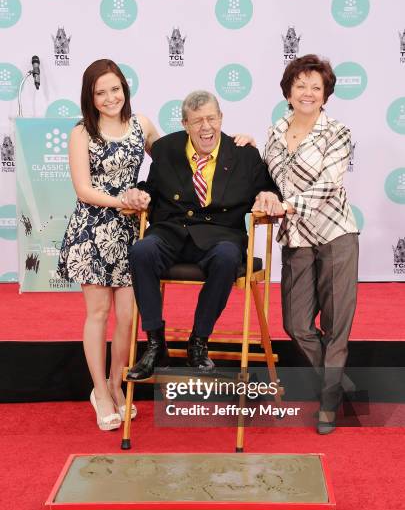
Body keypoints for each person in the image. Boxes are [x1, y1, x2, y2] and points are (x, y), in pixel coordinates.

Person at [124, 90, 279, 381]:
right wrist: (139, 194)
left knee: (228, 256)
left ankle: (199, 340)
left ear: (221, 119)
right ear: (185, 124)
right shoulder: (167, 149)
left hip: (221, 236)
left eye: (211, 118)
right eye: (197, 121)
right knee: (141, 251)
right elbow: (152, 188)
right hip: (171, 232)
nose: (205, 127)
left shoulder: (244, 153)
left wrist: (268, 197)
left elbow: (268, 187)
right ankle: (155, 344)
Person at [260, 54, 359, 434]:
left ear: (326, 95)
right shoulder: (273, 132)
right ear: (288, 90)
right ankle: (341, 383)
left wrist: (285, 206)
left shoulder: (338, 133)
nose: (307, 92)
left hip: (335, 234)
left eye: (316, 87)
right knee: (296, 324)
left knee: (336, 326)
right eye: (300, 85)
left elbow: (328, 186)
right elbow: (266, 178)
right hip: (297, 239)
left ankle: (329, 403)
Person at [57, 59, 158, 431]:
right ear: (91, 97)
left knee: (129, 318)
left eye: (115, 89)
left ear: (125, 89)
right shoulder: (82, 132)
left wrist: (232, 143)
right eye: (100, 92)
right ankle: (99, 391)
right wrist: (125, 201)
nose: (110, 97)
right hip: (92, 231)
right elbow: (83, 189)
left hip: (132, 235)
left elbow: (174, 158)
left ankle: (117, 384)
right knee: (98, 314)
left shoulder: (141, 125)